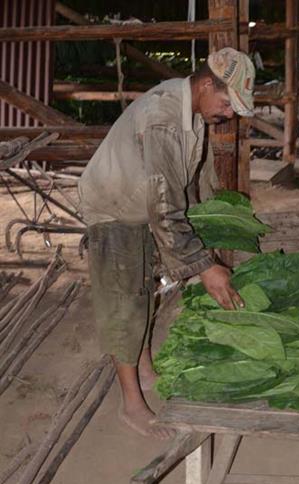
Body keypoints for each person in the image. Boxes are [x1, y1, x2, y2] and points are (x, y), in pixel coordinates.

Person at [78, 47, 255, 439]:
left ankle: (143, 367)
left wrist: (198, 248)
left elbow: (184, 186)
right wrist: (204, 266)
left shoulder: (190, 112)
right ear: (207, 84)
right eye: (227, 102)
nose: (228, 114)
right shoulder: (163, 118)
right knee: (124, 300)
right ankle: (131, 404)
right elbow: (164, 201)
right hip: (114, 204)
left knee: (144, 290)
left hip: (138, 203)